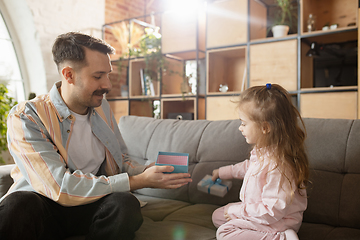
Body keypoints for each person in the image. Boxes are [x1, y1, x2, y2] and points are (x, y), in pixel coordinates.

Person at [0, 32, 192, 240]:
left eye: (108, 75)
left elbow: (120, 160)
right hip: (43, 207)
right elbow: (59, 187)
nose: (107, 85)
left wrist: (150, 170)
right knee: (17, 205)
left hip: (89, 205)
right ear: (69, 75)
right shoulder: (27, 116)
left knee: (124, 204)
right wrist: (137, 181)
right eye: (98, 76)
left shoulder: (101, 107)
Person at [211, 83, 309, 240]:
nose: (240, 128)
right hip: (259, 215)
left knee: (224, 232)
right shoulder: (264, 151)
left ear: (265, 128)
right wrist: (223, 172)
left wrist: (237, 211)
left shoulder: (278, 166)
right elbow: (249, 167)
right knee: (218, 216)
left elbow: (272, 212)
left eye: (243, 123)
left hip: (276, 222)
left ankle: (283, 237)